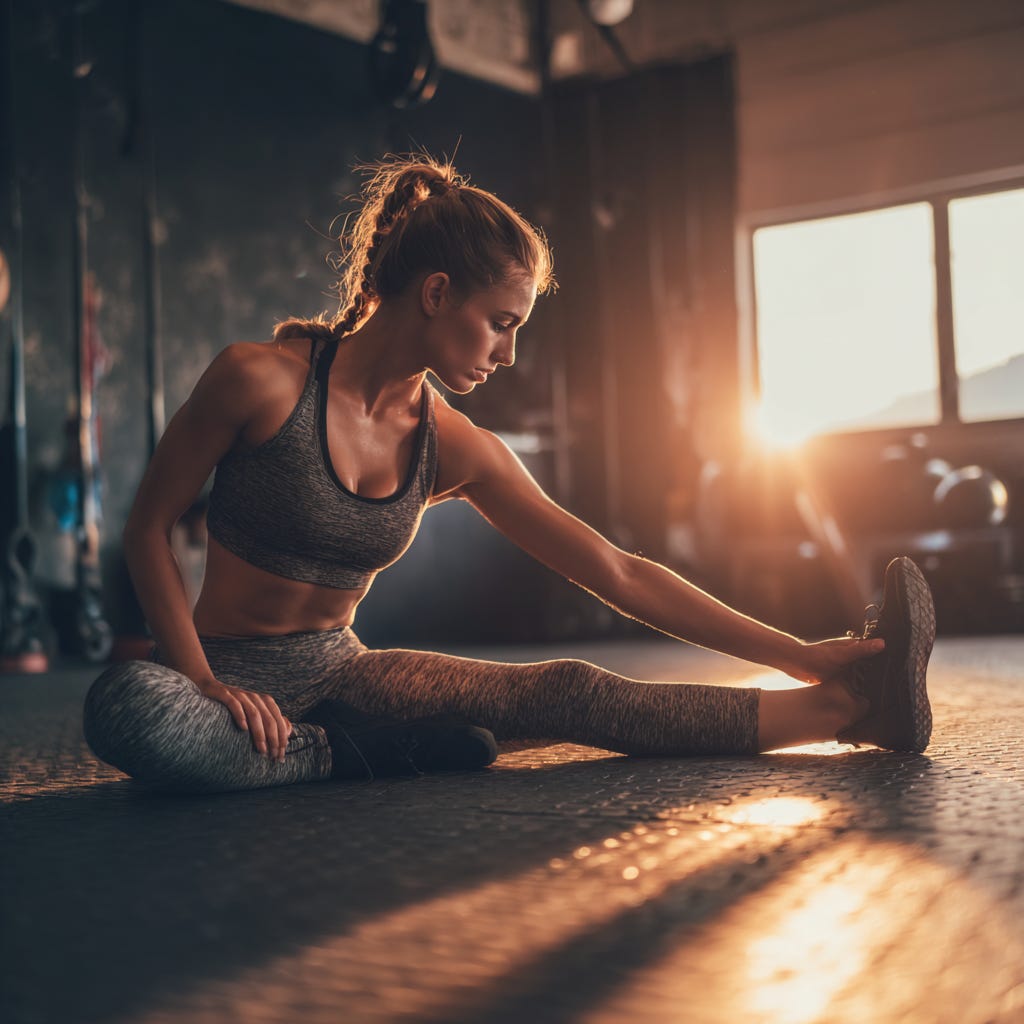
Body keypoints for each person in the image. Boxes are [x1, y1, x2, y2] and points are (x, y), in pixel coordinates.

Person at [82, 156, 935, 795]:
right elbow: (147, 529)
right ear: (436, 293)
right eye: (500, 322)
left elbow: (617, 572)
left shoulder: (455, 447)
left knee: (572, 690)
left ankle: (850, 711)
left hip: (346, 679)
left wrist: (799, 656)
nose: (510, 352)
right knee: (125, 708)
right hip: (218, 681)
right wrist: (204, 682)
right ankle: (341, 755)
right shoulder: (259, 381)